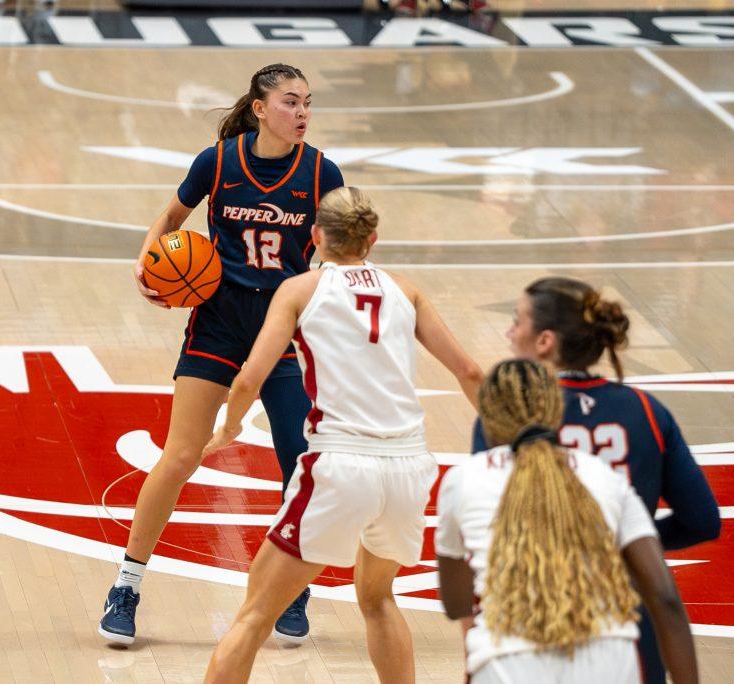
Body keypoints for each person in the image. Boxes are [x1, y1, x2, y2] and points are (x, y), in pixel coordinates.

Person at [99, 63, 345, 644]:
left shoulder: (321, 173)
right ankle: (126, 585)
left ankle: (291, 585)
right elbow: (171, 218)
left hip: (283, 325)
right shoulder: (219, 160)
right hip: (218, 321)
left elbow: (337, 253)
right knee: (181, 455)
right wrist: (146, 262)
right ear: (260, 108)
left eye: (307, 102)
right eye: (290, 102)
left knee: (295, 460)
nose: (302, 113)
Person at [202, 187, 483, 682]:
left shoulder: (299, 290)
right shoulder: (406, 290)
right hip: (410, 468)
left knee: (254, 615)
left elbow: (249, 378)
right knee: (377, 599)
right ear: (372, 239)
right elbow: (471, 372)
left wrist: (227, 428)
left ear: (314, 237)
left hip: (340, 465)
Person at [471, 276, 720, 682]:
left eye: (517, 321)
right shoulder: (646, 410)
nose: (509, 331)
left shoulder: (507, 417)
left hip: (530, 621)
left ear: (545, 341)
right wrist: (631, 542)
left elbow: (485, 526)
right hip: (628, 629)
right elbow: (702, 520)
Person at [438, 359, 699, 683]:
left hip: (509, 665)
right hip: (610, 662)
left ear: (487, 421)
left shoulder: (463, 480)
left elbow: (455, 603)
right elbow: (665, 598)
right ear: (555, 413)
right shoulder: (602, 475)